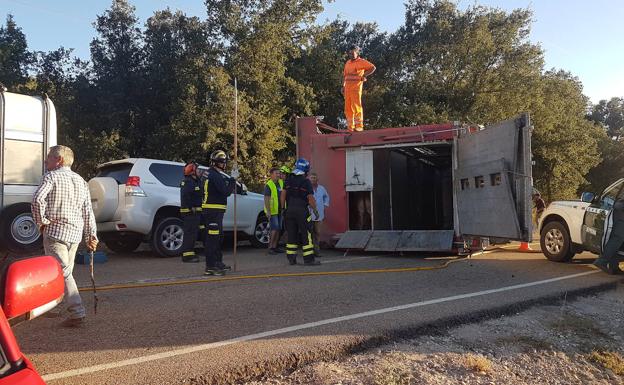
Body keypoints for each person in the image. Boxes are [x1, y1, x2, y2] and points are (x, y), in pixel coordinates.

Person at [31, 145, 98, 328]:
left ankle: (77, 313)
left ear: (59, 160)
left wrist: (41, 222)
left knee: (63, 273)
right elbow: (88, 211)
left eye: (49, 158)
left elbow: (37, 199)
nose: (46, 161)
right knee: (64, 272)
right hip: (75, 234)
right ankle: (54, 306)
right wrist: (91, 235)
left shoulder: (51, 177)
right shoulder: (81, 181)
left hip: (55, 233)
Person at [280, 158, 321, 266]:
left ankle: (291, 259)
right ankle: (309, 260)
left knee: (291, 234)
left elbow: (283, 195)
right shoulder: (306, 182)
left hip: (289, 211)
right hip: (302, 211)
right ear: (306, 170)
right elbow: (311, 198)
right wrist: (315, 210)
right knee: (306, 234)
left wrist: (283, 209)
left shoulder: (288, 180)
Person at [202, 150, 236, 276]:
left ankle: (218, 262)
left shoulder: (208, 173)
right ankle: (210, 266)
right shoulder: (215, 175)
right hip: (213, 211)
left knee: (218, 237)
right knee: (213, 239)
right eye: (224, 162)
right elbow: (226, 191)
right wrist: (233, 180)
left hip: (213, 211)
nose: (225, 165)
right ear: (218, 163)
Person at [342, 45, 376, 131]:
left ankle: (359, 126)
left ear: (357, 53)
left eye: (353, 53)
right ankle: (350, 127)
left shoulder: (361, 62)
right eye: (350, 53)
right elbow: (345, 76)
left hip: (356, 88)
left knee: (356, 106)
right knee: (348, 108)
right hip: (347, 89)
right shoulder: (348, 63)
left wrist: (364, 75)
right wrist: (343, 86)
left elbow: (373, 67)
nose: (351, 55)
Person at [179, 162, 202, 263]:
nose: (199, 171)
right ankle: (187, 256)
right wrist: (190, 207)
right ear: (192, 171)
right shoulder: (188, 182)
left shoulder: (195, 181)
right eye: (197, 169)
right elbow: (185, 196)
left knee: (193, 234)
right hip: (190, 213)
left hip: (195, 213)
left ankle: (191, 253)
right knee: (190, 234)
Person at [594, 198, 624, 275]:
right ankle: (602, 261)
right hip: (620, 211)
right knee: (617, 238)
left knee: (618, 239)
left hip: (619, 209)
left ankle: (613, 265)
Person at [264, 167, 284, 255]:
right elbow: (266, 199)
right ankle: (270, 247)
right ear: (271, 174)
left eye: (279, 173)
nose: (278, 175)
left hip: (280, 210)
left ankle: (275, 246)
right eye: (276, 173)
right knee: (274, 228)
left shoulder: (281, 183)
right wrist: (268, 211)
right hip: (272, 211)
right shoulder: (269, 185)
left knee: (279, 228)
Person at [309, 172, 330, 256]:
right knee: (309, 233)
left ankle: (317, 251)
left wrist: (325, 205)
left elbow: (326, 197)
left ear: (317, 179)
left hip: (319, 214)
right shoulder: (307, 188)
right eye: (311, 178)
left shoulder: (322, 188)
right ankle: (309, 251)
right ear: (309, 179)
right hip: (309, 214)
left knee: (317, 232)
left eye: (314, 178)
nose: (313, 179)